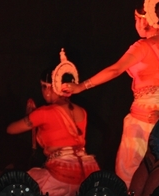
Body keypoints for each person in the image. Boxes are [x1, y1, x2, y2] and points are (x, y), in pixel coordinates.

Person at [61, 0, 159, 188]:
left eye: (136, 19)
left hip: (141, 119)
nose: (136, 23)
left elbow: (115, 70)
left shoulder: (141, 47)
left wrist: (81, 86)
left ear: (145, 19)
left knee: (130, 174)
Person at [6, 48, 100, 196]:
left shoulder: (44, 113)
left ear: (48, 88)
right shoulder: (82, 111)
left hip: (61, 176)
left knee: (16, 186)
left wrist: (31, 116)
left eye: (43, 88)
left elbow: (11, 129)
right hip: (89, 173)